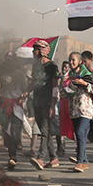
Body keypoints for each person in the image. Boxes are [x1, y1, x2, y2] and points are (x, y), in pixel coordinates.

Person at [61, 51, 93, 172]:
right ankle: (85, 161)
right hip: (74, 110)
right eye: (70, 60)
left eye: (74, 60)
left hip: (85, 109)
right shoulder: (69, 76)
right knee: (79, 135)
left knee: (80, 132)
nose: (71, 62)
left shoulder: (86, 74)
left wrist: (84, 83)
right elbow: (64, 92)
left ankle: (79, 161)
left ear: (80, 62)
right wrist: (64, 83)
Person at [28, 39, 61, 170]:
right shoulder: (35, 66)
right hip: (37, 101)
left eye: (35, 49)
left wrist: (53, 105)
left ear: (41, 51)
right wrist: (26, 92)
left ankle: (40, 158)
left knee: (45, 130)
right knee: (43, 130)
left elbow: (55, 87)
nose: (33, 52)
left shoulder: (52, 66)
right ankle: (54, 158)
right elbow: (33, 82)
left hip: (48, 102)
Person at [0, 52, 28, 169]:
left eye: (12, 60)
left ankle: (13, 155)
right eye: (8, 60)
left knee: (15, 131)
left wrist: (24, 97)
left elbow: (25, 89)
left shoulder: (20, 74)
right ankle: (11, 155)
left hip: (17, 105)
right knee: (6, 131)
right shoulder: (1, 75)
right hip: (4, 105)